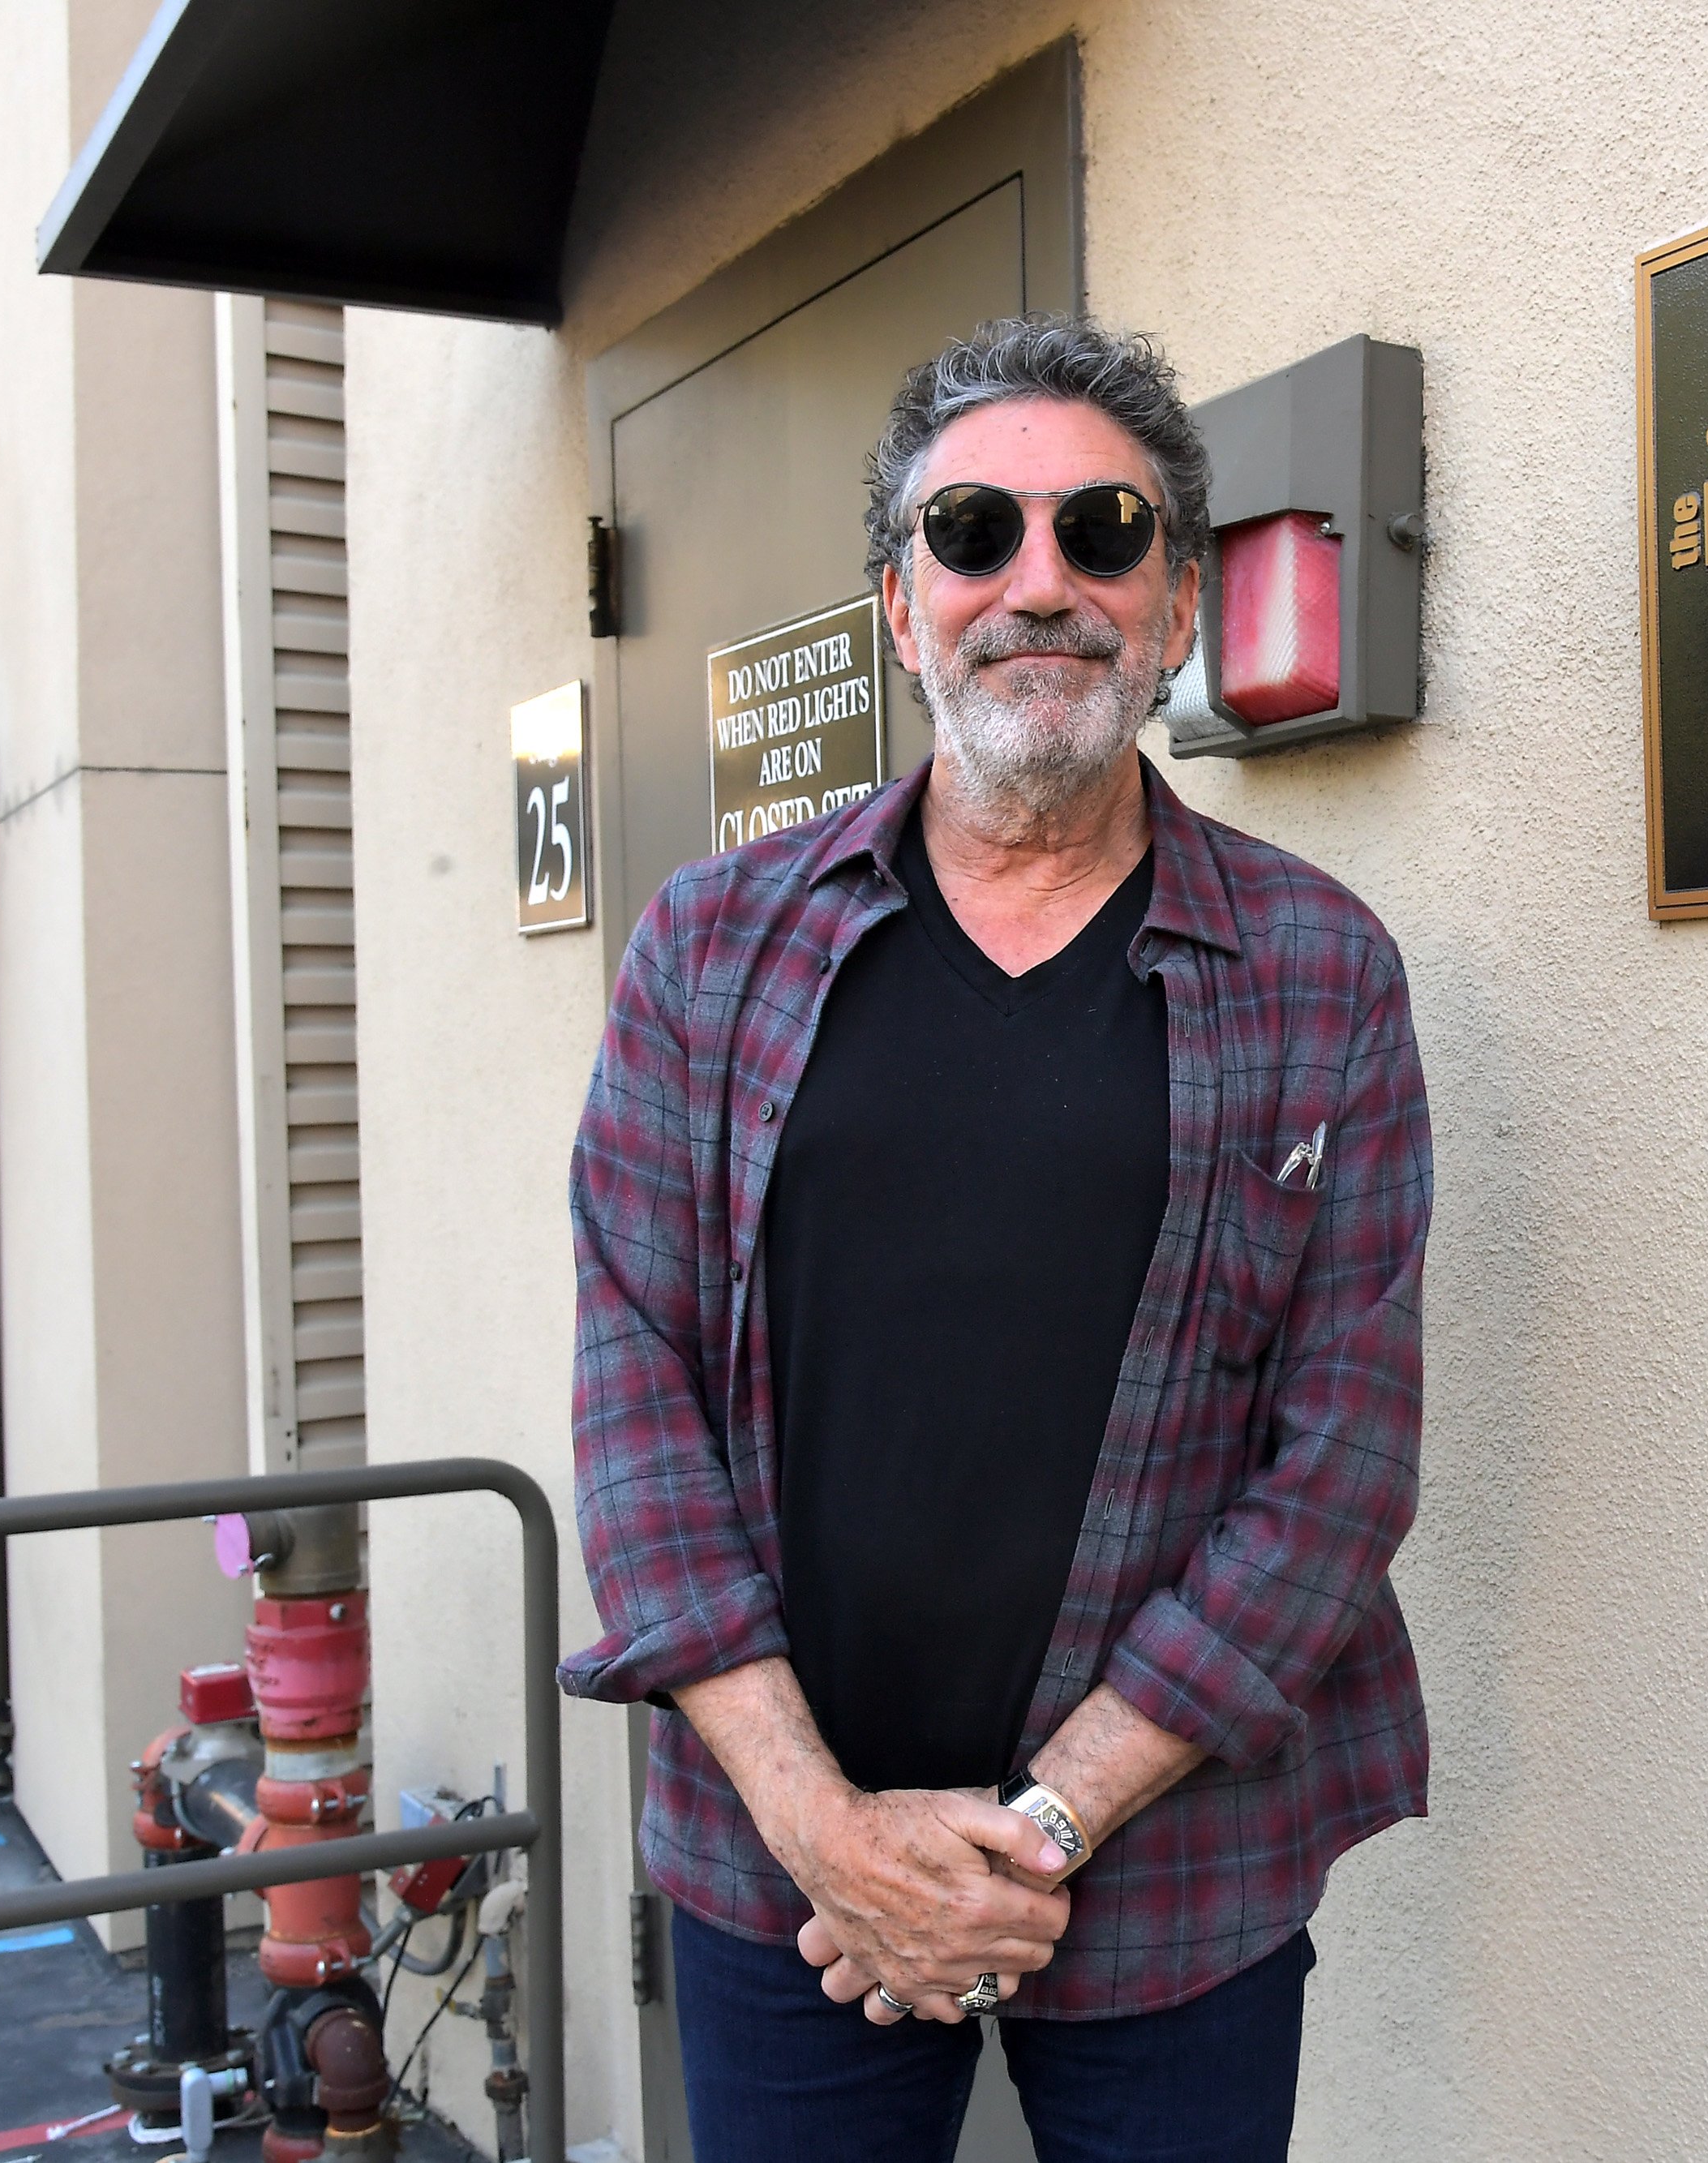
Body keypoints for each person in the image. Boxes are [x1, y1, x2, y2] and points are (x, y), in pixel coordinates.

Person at [559, 315, 1434, 2162]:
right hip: (783, 1868)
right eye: (972, 534)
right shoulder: (707, 947)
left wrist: (1036, 1831)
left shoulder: (1319, 970)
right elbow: (633, 1400)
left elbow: (1338, 1468)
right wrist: (829, 1831)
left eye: (1101, 532)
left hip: (1172, 1861)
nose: (1037, 583)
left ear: (1176, 603)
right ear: (902, 605)